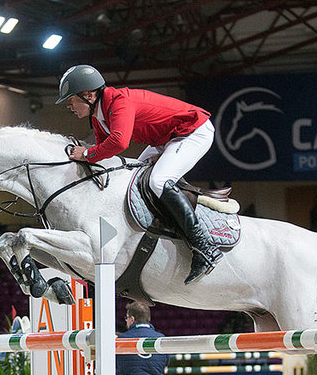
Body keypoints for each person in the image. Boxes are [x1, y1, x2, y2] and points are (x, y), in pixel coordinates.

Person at [57, 64, 222, 284]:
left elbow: (119, 142)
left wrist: (86, 154)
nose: (68, 106)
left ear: (89, 94)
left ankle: (204, 247)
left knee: (158, 181)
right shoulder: (98, 115)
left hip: (192, 132)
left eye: (70, 99)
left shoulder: (118, 102)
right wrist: (86, 154)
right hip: (165, 140)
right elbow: (103, 150)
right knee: (130, 178)